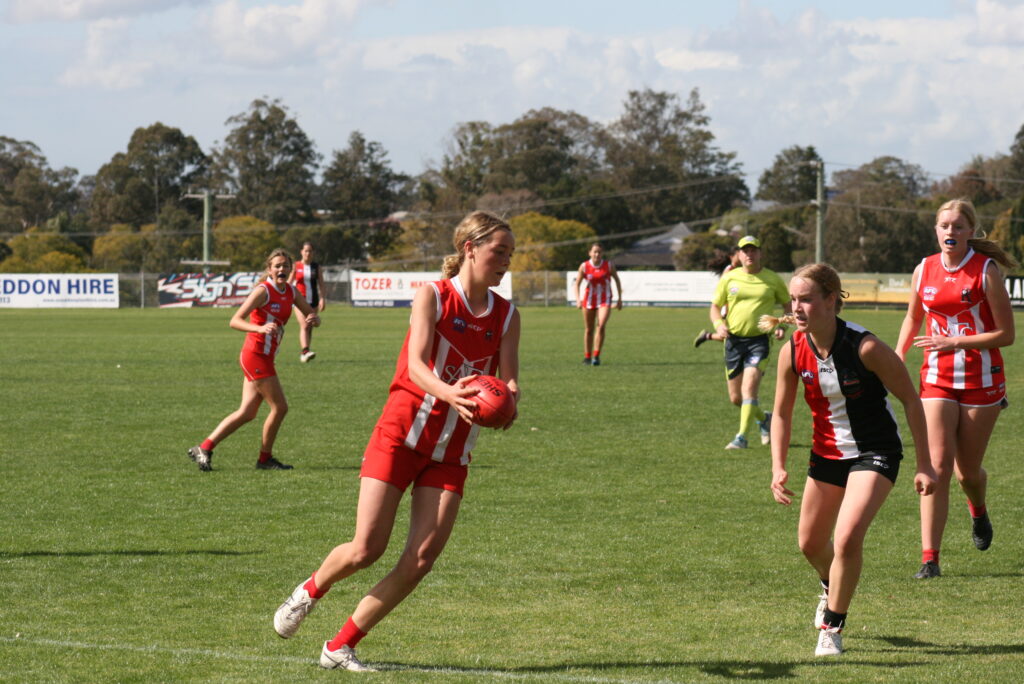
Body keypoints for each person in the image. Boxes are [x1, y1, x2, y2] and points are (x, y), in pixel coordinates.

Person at [272, 211, 520, 671]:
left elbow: (509, 381)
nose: (506, 261)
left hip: (452, 451)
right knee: (367, 548)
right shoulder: (433, 296)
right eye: (498, 251)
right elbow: (418, 364)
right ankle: (308, 591)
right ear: (470, 248)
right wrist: (449, 391)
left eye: (509, 253)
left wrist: (507, 404)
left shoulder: (507, 315)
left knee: (421, 558)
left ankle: (340, 645)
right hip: (401, 435)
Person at [768, 263, 936, 657]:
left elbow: (912, 400)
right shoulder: (792, 349)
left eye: (806, 299)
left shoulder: (866, 347)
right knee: (810, 544)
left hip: (874, 452)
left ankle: (832, 626)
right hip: (826, 454)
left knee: (845, 538)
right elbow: (780, 413)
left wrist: (924, 464)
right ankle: (831, 585)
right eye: (793, 299)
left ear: (831, 299)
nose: (797, 307)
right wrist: (778, 465)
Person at [894, 198, 1016, 579]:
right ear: (936, 230)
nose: (951, 232)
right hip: (936, 381)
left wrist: (956, 343)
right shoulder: (924, 269)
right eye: (944, 225)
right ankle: (930, 559)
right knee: (938, 467)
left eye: (958, 226)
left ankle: (977, 509)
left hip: (982, 381)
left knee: (967, 472)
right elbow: (914, 317)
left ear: (970, 232)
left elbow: (1006, 334)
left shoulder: (985, 270)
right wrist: (897, 356)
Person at [187, 248, 320, 472]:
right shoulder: (263, 291)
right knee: (280, 408)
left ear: (290, 269)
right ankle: (265, 459)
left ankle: (204, 447)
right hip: (255, 356)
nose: (281, 269)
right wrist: (259, 327)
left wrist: (314, 319)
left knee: (247, 412)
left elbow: (311, 315)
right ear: (269, 269)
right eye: (277, 266)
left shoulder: (291, 292)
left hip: (266, 357)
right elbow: (235, 320)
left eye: (285, 266)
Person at [708, 235, 790, 449]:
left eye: (753, 250)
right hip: (734, 342)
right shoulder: (730, 278)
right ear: (739, 255)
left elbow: (788, 307)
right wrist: (718, 325)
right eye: (745, 250)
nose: (749, 254)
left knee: (749, 388)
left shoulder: (772, 279)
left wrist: (781, 326)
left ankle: (741, 438)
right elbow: (715, 307)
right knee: (736, 398)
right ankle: (764, 419)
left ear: (760, 253)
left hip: (760, 342)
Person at [574, 242, 622, 366]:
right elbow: (577, 284)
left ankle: (596, 356)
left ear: (602, 253)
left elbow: (617, 280)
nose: (597, 254)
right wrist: (578, 299)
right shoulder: (584, 266)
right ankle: (587, 357)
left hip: (605, 300)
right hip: (589, 301)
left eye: (599, 252)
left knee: (600, 325)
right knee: (589, 329)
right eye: (594, 251)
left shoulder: (608, 265)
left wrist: (619, 299)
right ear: (590, 253)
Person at [694, 246, 741, 347]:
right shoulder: (729, 270)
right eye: (738, 254)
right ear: (731, 256)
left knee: (730, 336)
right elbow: (723, 291)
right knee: (729, 336)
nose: (741, 256)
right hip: (728, 308)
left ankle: (707, 336)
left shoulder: (739, 270)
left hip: (734, 308)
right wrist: (725, 308)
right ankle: (707, 336)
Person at [288, 241, 326, 363]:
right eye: (306, 251)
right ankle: (305, 351)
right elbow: (289, 282)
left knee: (310, 326)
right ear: (301, 252)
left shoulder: (317, 267)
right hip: (299, 300)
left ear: (313, 252)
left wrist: (322, 298)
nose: (308, 253)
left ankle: (306, 351)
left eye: (310, 251)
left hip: (313, 300)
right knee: (304, 325)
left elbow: (321, 284)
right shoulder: (296, 266)